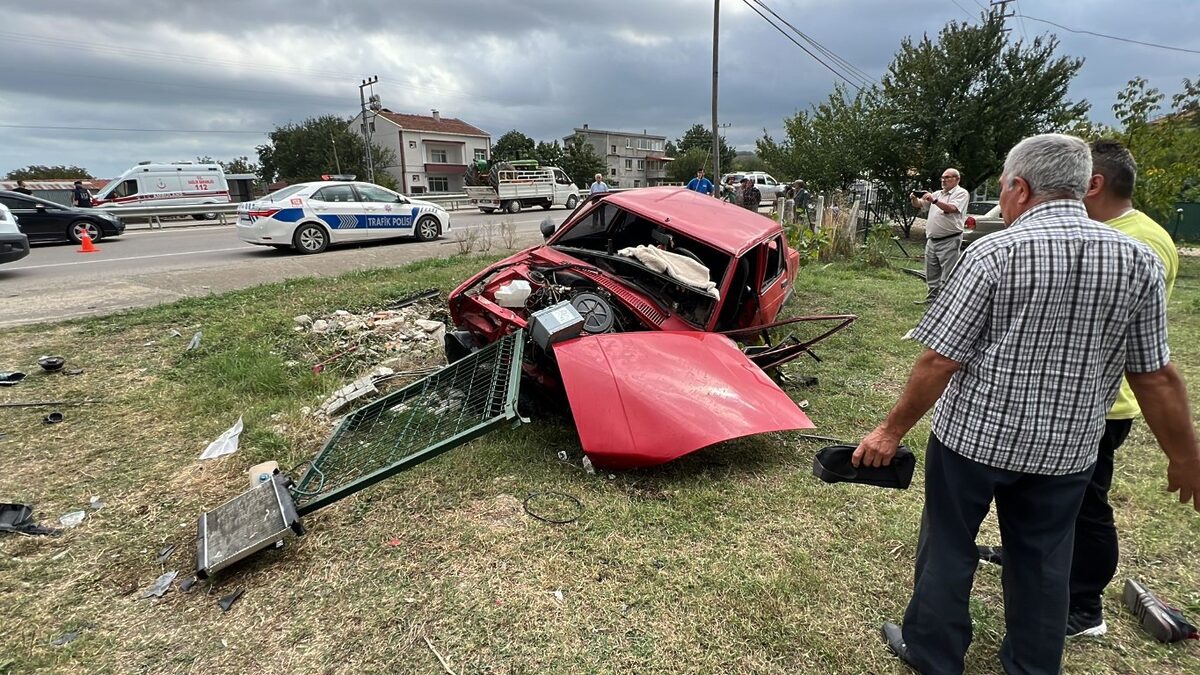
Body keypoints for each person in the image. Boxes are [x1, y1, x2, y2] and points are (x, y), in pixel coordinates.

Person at [855, 133, 1200, 675]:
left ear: (1020, 187)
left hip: (974, 439)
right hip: (1067, 450)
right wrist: (1184, 457)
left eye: (1002, 189)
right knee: (1044, 560)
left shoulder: (992, 253)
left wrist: (889, 431)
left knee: (948, 544)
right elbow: (1155, 376)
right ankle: (1033, 667)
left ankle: (933, 652)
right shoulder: (1137, 260)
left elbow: (939, 361)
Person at [975, 138, 1181, 639]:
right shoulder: (1108, 233)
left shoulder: (1140, 245)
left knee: (1086, 509)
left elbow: (1146, 360)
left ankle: (1084, 605)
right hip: (1061, 399)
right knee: (1047, 506)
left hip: (1099, 405)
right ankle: (1026, 558)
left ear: (1093, 183)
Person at [910, 168, 969, 304]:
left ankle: (946, 302)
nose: (944, 180)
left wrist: (934, 200)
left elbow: (952, 209)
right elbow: (919, 205)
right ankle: (931, 299)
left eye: (948, 177)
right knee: (931, 272)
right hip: (932, 240)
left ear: (957, 179)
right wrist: (914, 198)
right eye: (942, 177)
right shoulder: (938, 193)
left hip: (950, 238)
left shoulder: (961, 193)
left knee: (948, 273)